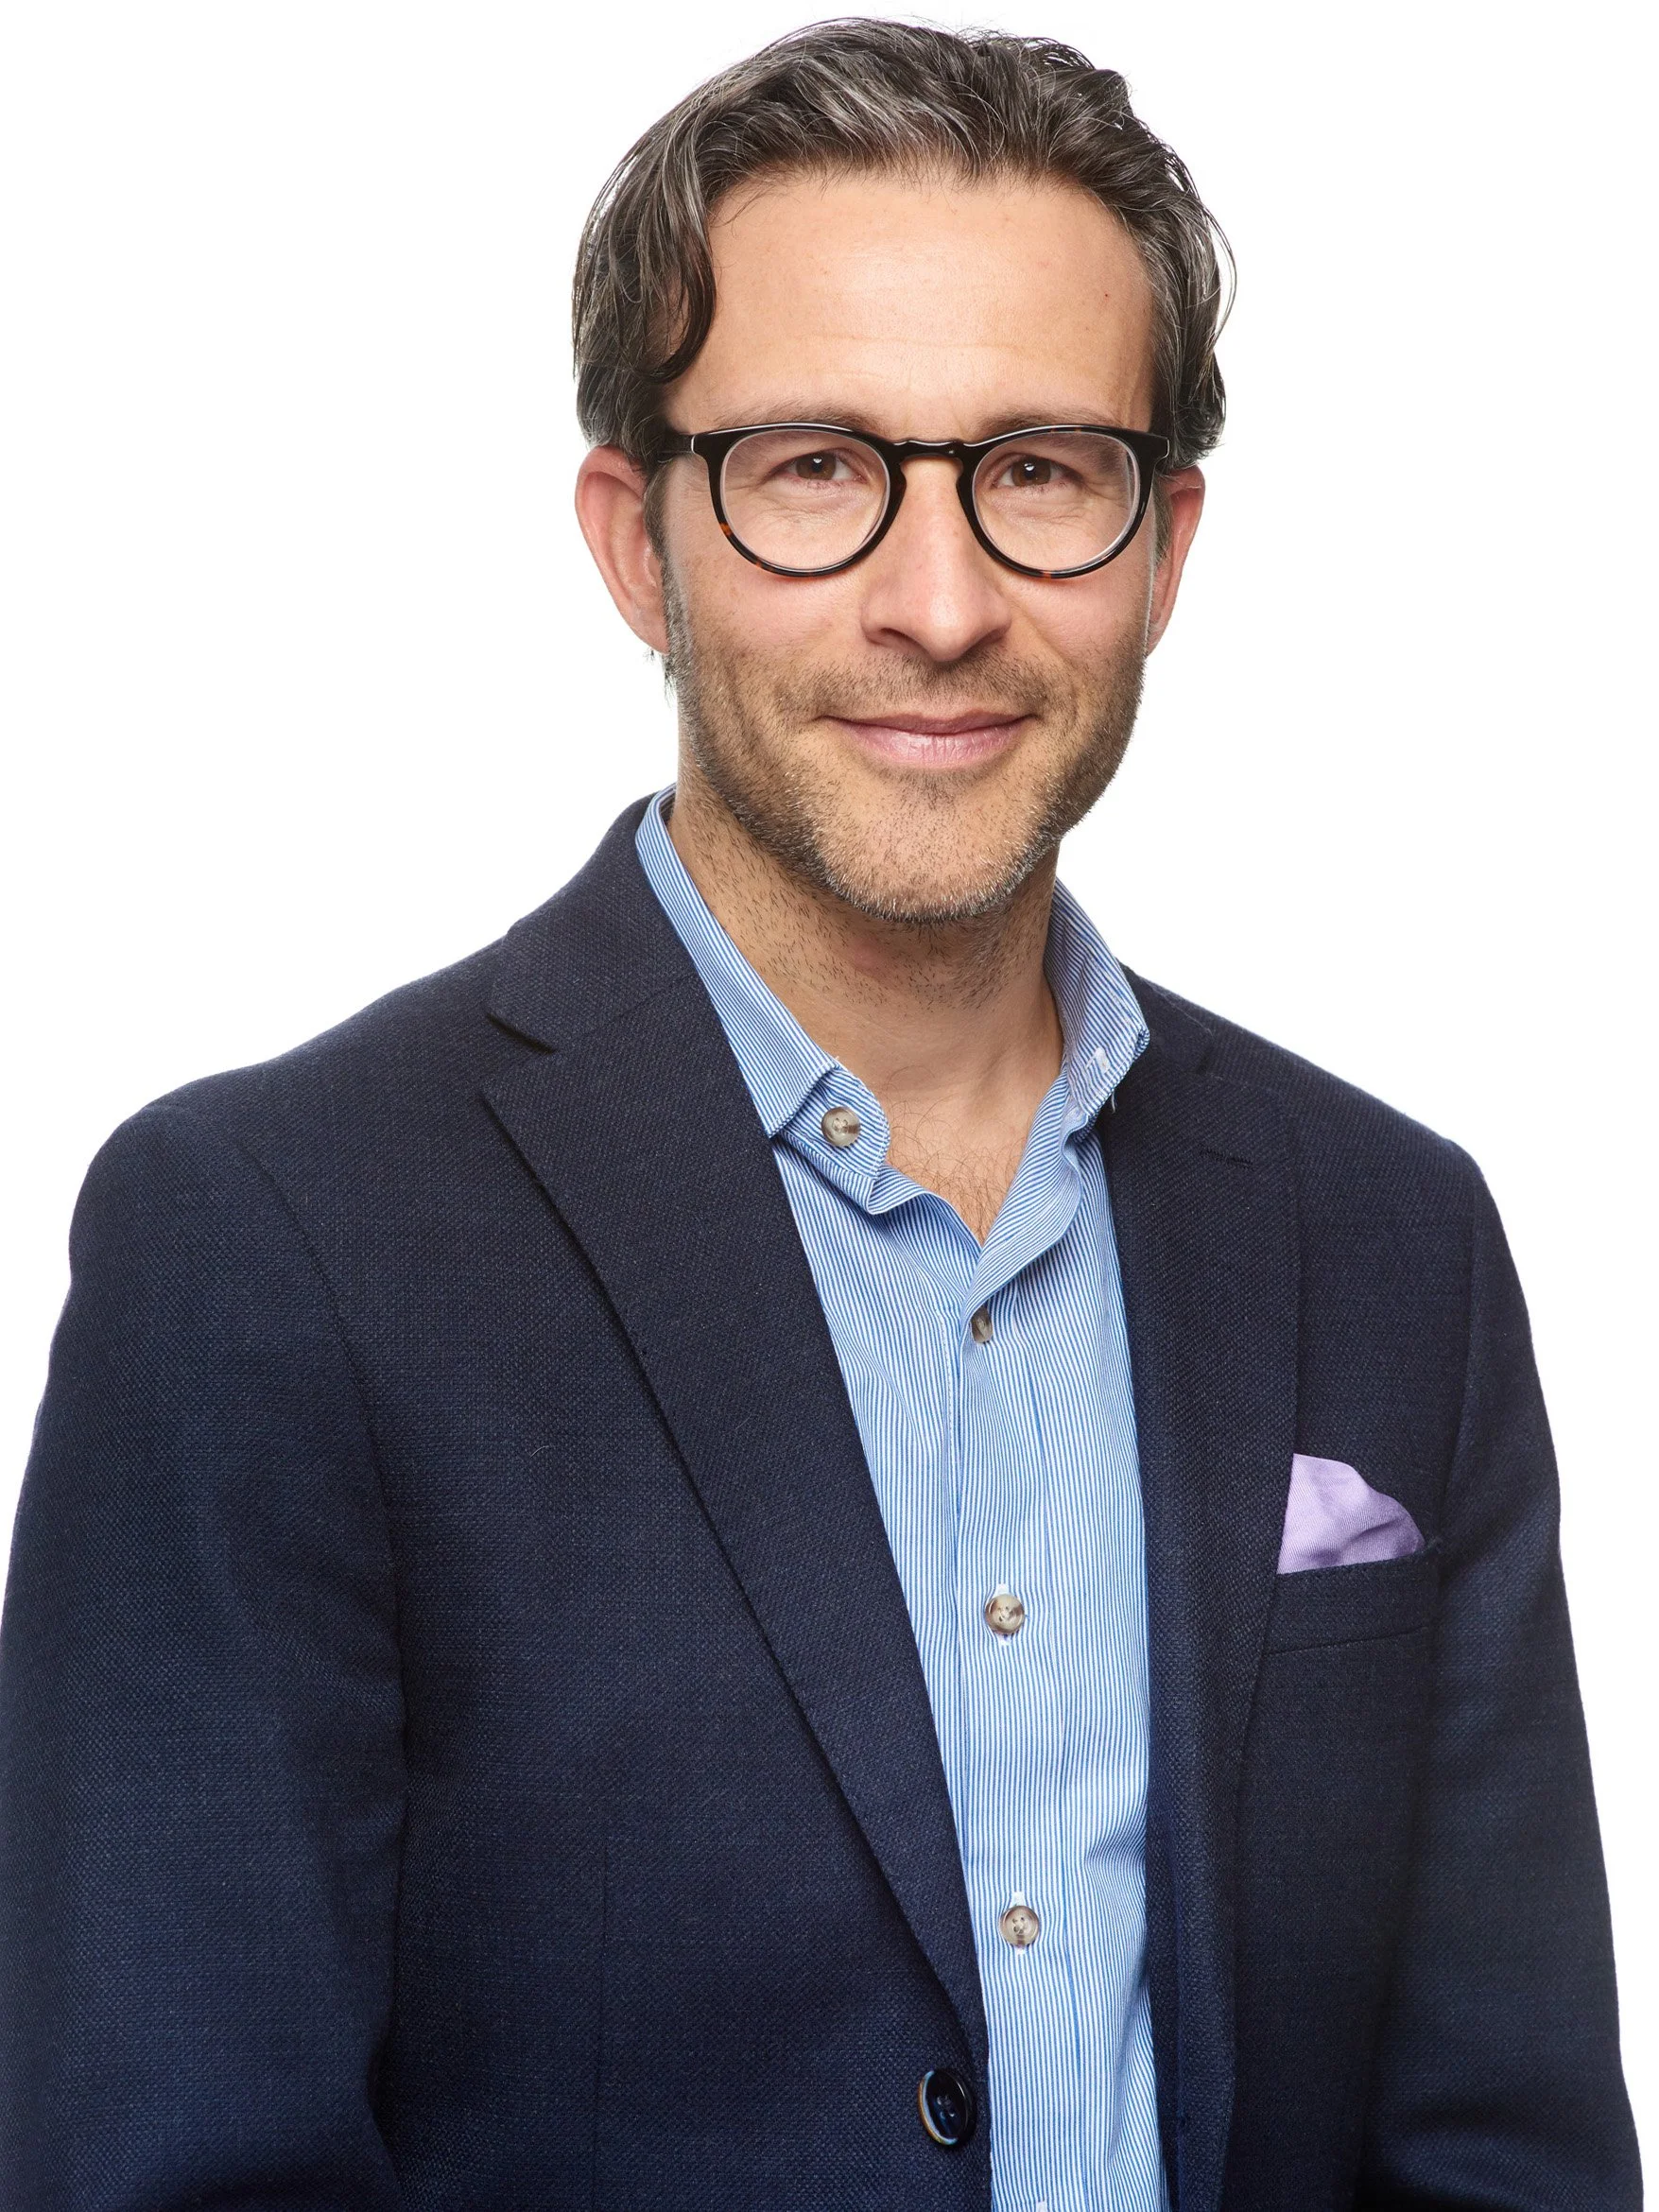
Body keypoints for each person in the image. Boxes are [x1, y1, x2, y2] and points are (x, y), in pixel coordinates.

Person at [0, 22, 1639, 2210]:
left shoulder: (1391, 1235)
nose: (939, 602)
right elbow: (170, 2165)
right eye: (812, 468)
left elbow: (1509, 2152)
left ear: (1164, 546)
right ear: (634, 542)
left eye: (1039, 471)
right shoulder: (272, 1242)